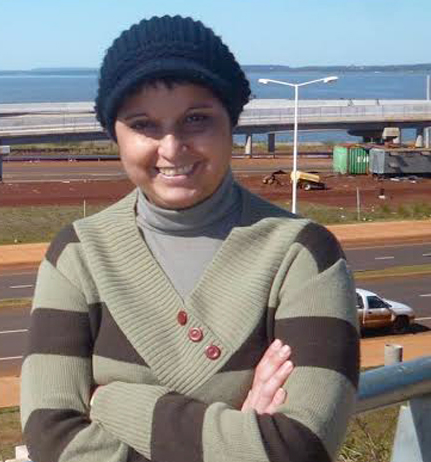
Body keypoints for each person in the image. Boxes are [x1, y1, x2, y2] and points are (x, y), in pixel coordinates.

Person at [21, 15, 359, 462]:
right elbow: (51, 439)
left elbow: (299, 447)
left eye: (196, 119)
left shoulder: (303, 255)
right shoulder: (78, 255)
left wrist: (113, 402)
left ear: (231, 122)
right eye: (143, 124)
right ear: (114, 133)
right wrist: (239, 440)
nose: (171, 147)